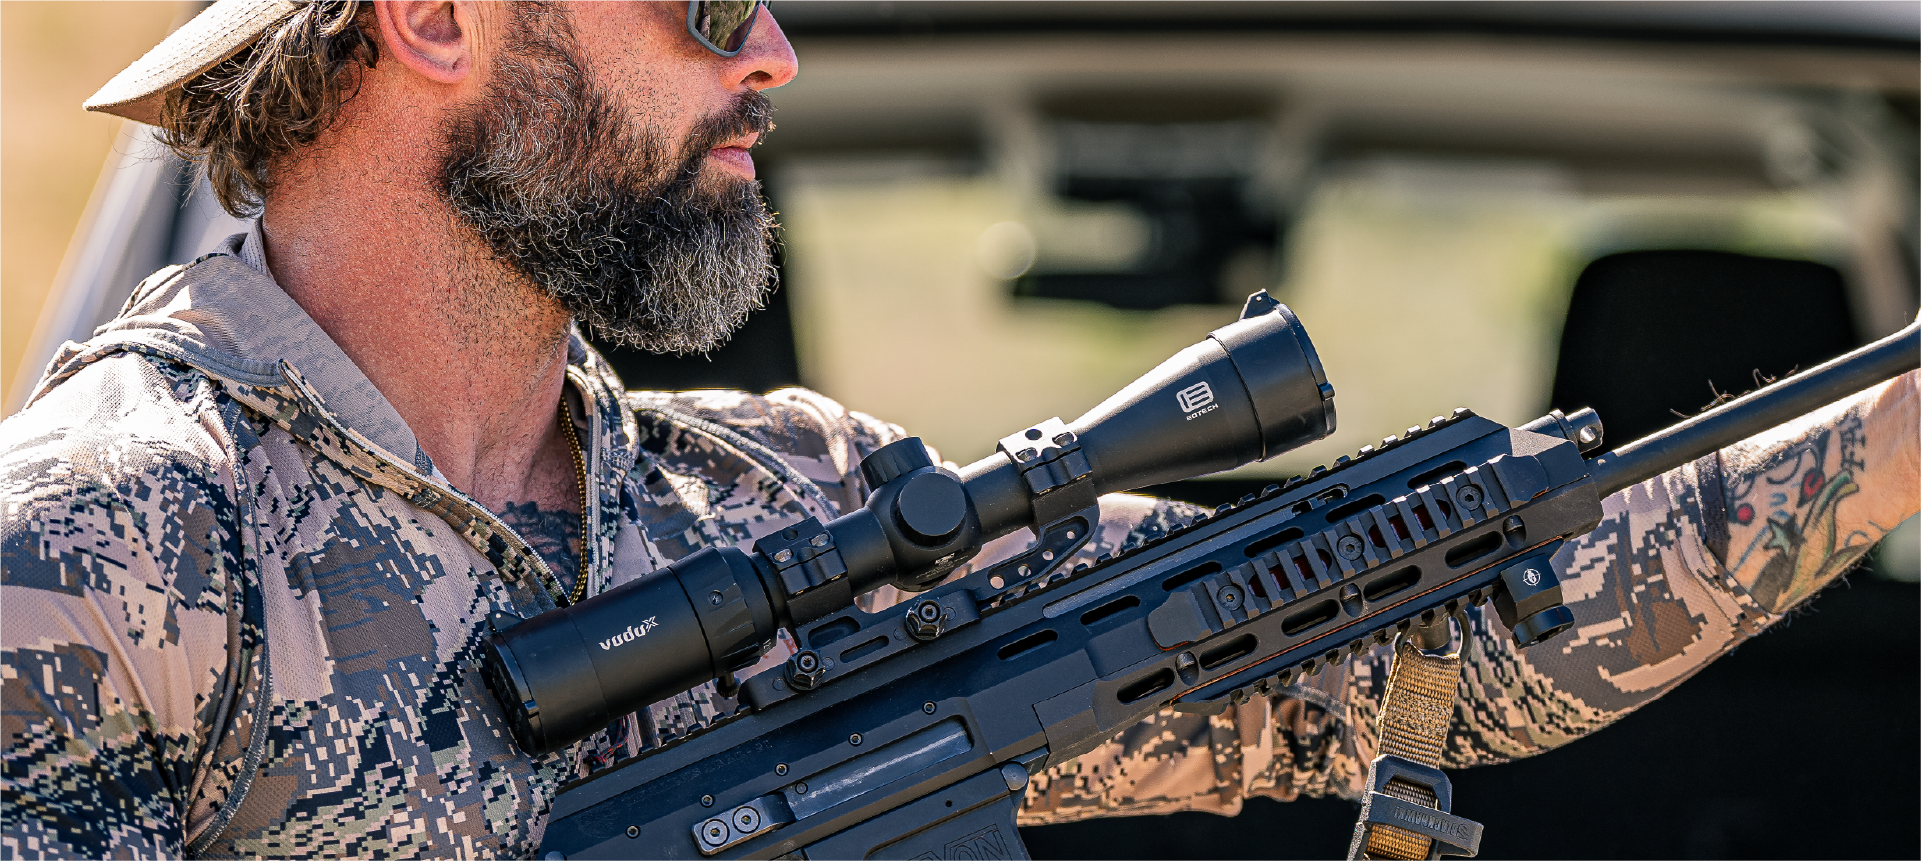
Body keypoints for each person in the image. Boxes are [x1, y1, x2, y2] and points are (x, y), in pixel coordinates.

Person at [0, 0, 1913, 857]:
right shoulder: (103, 556)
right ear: (430, 17)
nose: (775, 59)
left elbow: (1443, 636)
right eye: (711, 0)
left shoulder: (784, 505)